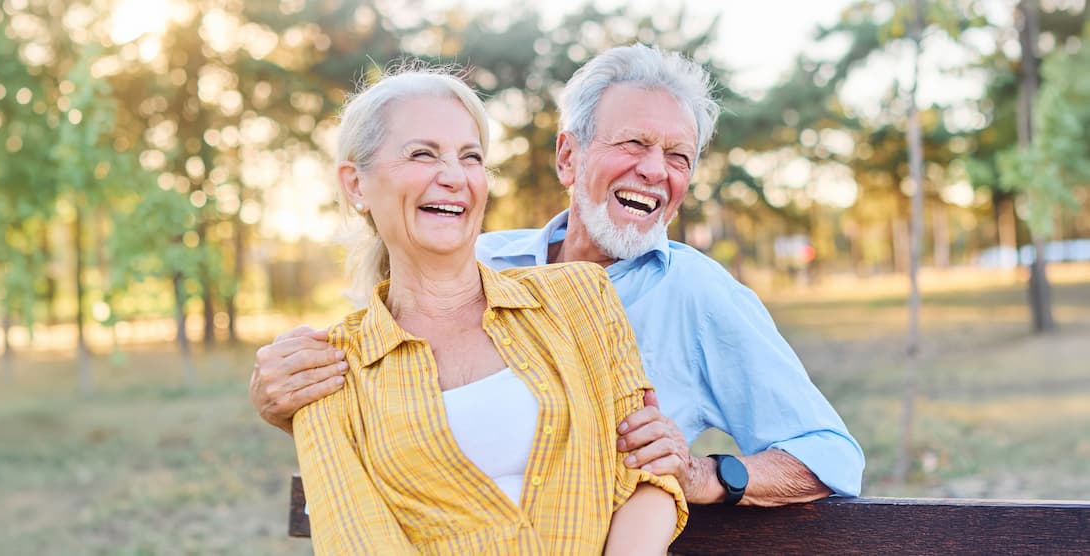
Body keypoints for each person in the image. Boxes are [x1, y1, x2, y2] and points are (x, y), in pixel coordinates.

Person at [252, 44, 865, 507]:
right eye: (633, 144)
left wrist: (706, 475)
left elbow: (831, 455)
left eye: (678, 157)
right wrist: (290, 400)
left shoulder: (698, 295)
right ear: (569, 156)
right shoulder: (478, 260)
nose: (656, 171)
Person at [296, 65, 687, 554]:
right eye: (423, 153)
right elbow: (357, 539)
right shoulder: (328, 372)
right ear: (356, 185)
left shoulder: (580, 298)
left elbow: (647, 477)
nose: (454, 177)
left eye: (471, 157)